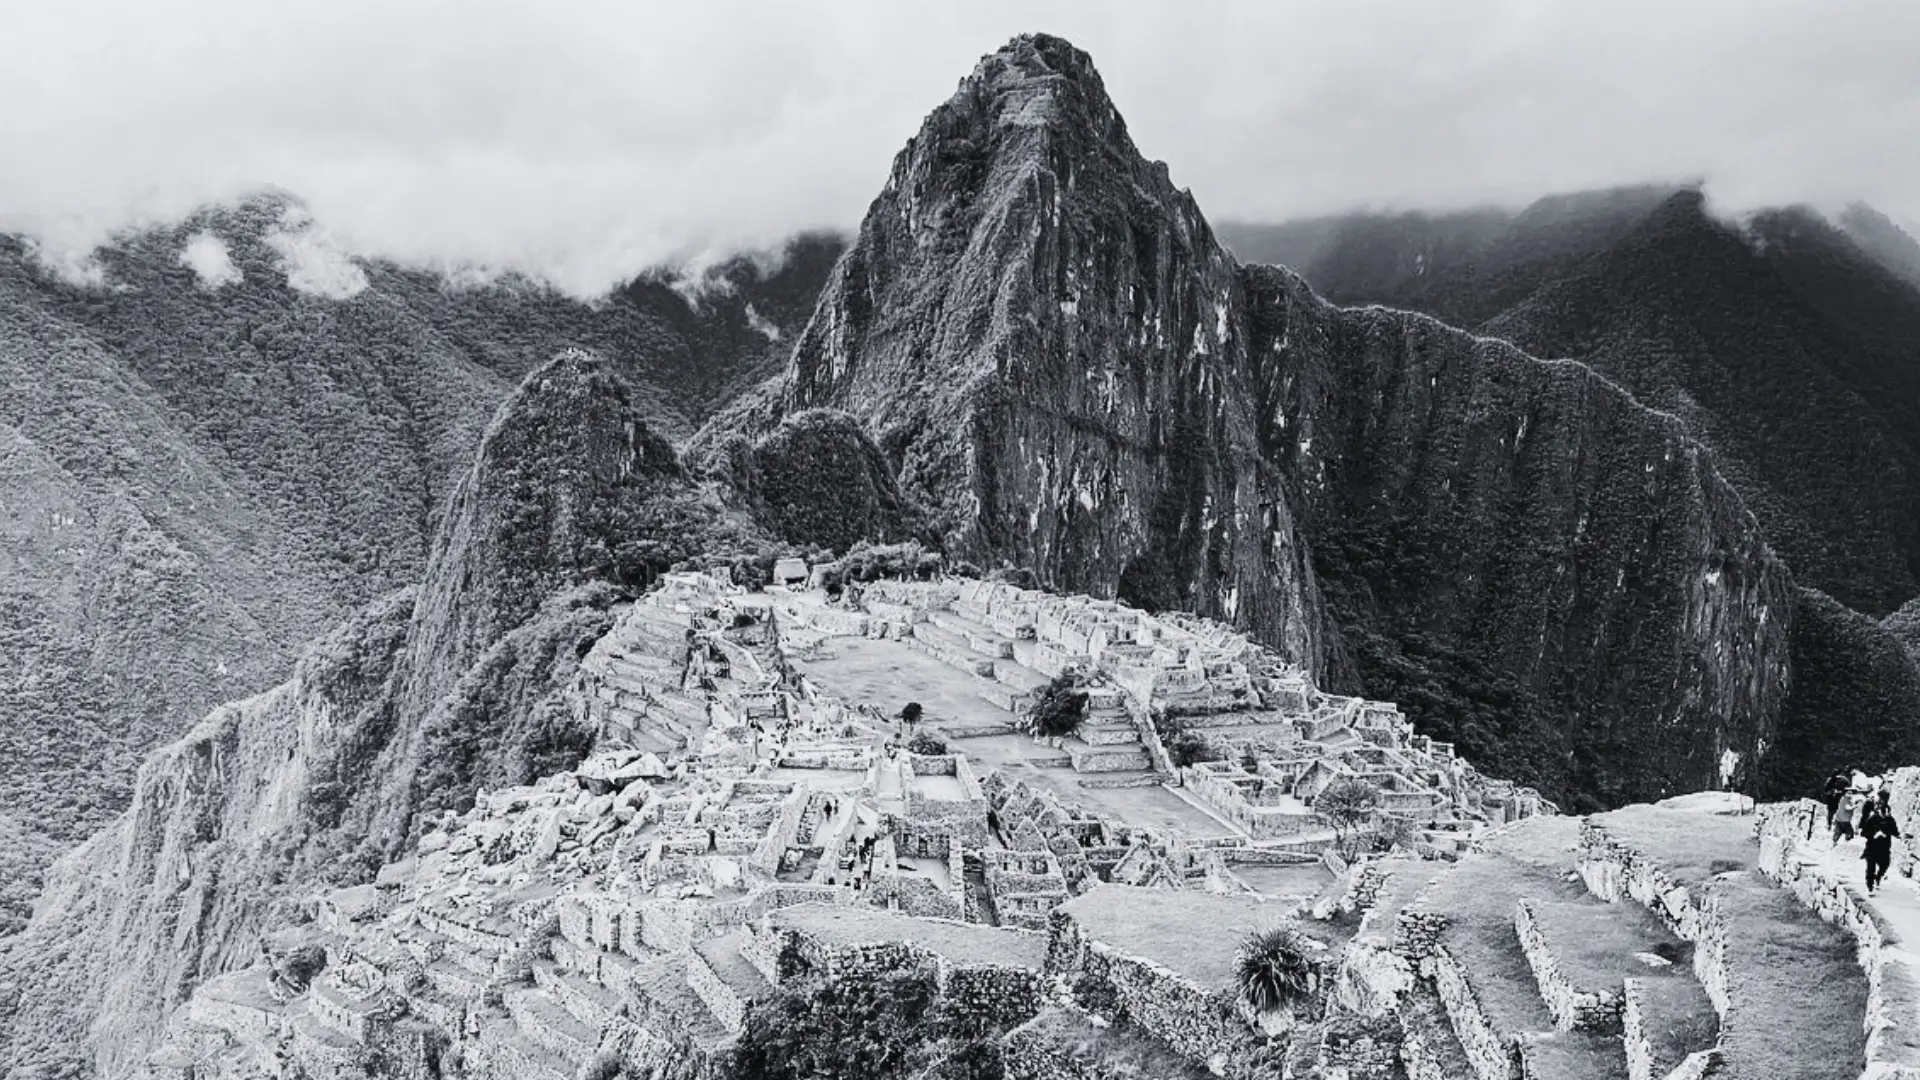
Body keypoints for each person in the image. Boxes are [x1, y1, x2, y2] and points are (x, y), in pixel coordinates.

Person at [1862, 790, 1902, 893]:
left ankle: (1878, 877)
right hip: (1871, 847)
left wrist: (1900, 836)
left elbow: (1895, 831)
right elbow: (1863, 832)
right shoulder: (1872, 819)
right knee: (1870, 867)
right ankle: (1869, 887)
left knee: (1885, 864)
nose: (1886, 816)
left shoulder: (1890, 820)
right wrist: (1874, 836)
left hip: (1884, 848)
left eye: (1888, 814)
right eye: (1884, 814)